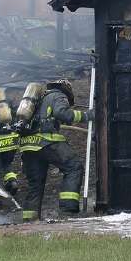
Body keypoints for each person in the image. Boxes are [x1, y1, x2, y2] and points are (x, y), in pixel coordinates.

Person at [19, 78, 91, 220]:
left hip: (28, 145)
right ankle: (68, 210)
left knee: (35, 183)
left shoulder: (38, 99)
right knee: (73, 167)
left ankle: (29, 219)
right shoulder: (58, 95)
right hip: (47, 142)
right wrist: (86, 115)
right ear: (67, 89)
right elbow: (62, 113)